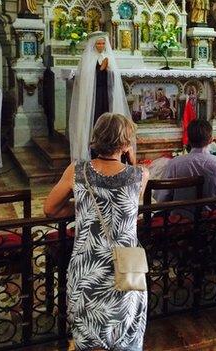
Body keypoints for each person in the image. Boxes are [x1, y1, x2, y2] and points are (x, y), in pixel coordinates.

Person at [44, 113, 149, 350]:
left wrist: (83, 207)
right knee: (126, 335)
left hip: (87, 268)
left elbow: (50, 209)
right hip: (126, 268)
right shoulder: (140, 175)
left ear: (96, 140)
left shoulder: (76, 171)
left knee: (87, 339)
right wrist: (131, 160)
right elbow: (130, 205)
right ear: (125, 144)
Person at [68, 32, 131, 161]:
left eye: (103, 43)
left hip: (106, 96)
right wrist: (100, 70)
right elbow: (85, 79)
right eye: (99, 43)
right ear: (94, 44)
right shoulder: (88, 58)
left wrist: (108, 71)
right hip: (94, 97)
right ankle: (94, 151)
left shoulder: (108, 57)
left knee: (108, 122)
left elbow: (114, 79)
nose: (101, 46)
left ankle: (111, 147)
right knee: (96, 120)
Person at [155, 119, 216, 206]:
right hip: (214, 218)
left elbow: (162, 198)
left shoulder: (174, 164)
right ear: (211, 140)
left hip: (181, 217)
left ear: (188, 140)